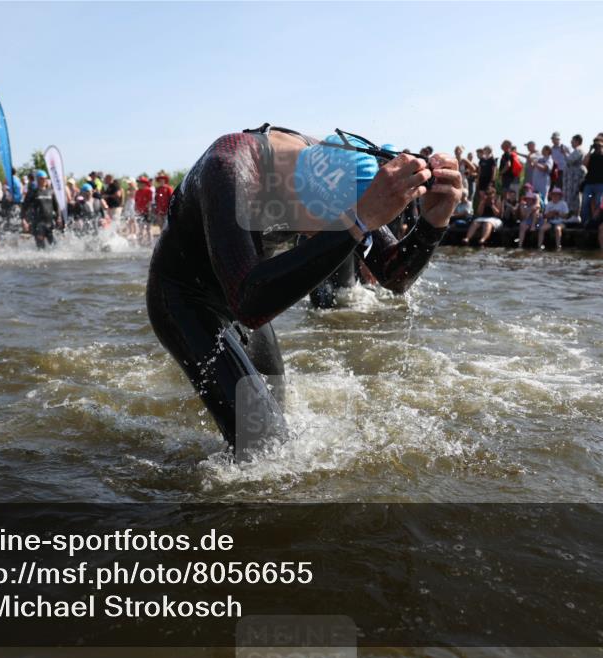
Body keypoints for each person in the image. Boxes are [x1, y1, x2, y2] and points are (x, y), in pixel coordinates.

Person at [146, 124, 461, 458]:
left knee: (276, 426)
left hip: (246, 290)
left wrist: (432, 224)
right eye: (320, 227)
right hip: (185, 297)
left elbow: (394, 276)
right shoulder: (229, 165)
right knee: (263, 445)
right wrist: (354, 223)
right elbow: (250, 305)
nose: (310, 238)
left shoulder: (339, 164)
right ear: (293, 194)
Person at [22, 169, 59, 248]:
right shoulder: (33, 192)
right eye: (42, 178)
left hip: (49, 223)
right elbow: (24, 207)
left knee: (55, 247)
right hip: (38, 224)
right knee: (41, 248)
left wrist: (59, 218)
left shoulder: (51, 192)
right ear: (38, 179)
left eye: (45, 178)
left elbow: (56, 207)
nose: (44, 180)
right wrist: (24, 220)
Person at [581, 136, 603, 226]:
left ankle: (597, 221)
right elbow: (584, 163)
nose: (597, 144)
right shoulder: (591, 155)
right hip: (589, 182)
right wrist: (590, 150)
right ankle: (585, 222)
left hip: (600, 183)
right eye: (595, 142)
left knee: (599, 202)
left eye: (599, 142)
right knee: (585, 202)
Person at [563, 134, 586, 218]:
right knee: (570, 196)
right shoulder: (575, 150)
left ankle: (575, 215)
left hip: (575, 177)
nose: (571, 143)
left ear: (577, 141)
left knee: (574, 196)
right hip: (571, 177)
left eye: (572, 141)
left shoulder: (579, 150)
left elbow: (570, 160)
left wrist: (565, 153)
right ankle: (570, 214)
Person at [134, 176, 154, 244]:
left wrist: (146, 209)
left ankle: (150, 242)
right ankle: (140, 242)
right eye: (138, 183)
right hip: (139, 212)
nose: (138, 184)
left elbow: (150, 201)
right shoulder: (137, 191)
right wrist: (136, 209)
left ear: (144, 183)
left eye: (140, 183)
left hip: (147, 212)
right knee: (140, 228)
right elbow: (136, 201)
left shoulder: (149, 190)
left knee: (148, 228)